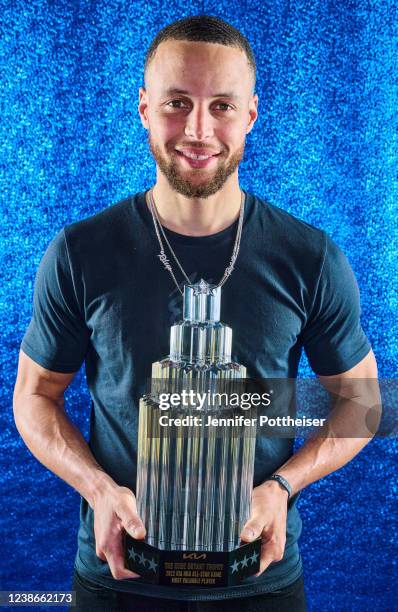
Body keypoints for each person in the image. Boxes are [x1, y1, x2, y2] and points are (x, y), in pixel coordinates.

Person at [13, 14, 379, 612]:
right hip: (120, 578)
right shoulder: (80, 252)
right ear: (144, 108)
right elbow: (33, 395)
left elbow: (364, 403)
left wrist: (282, 487)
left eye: (223, 106)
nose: (199, 129)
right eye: (178, 102)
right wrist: (98, 488)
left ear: (252, 114)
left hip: (258, 580)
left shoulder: (310, 257)